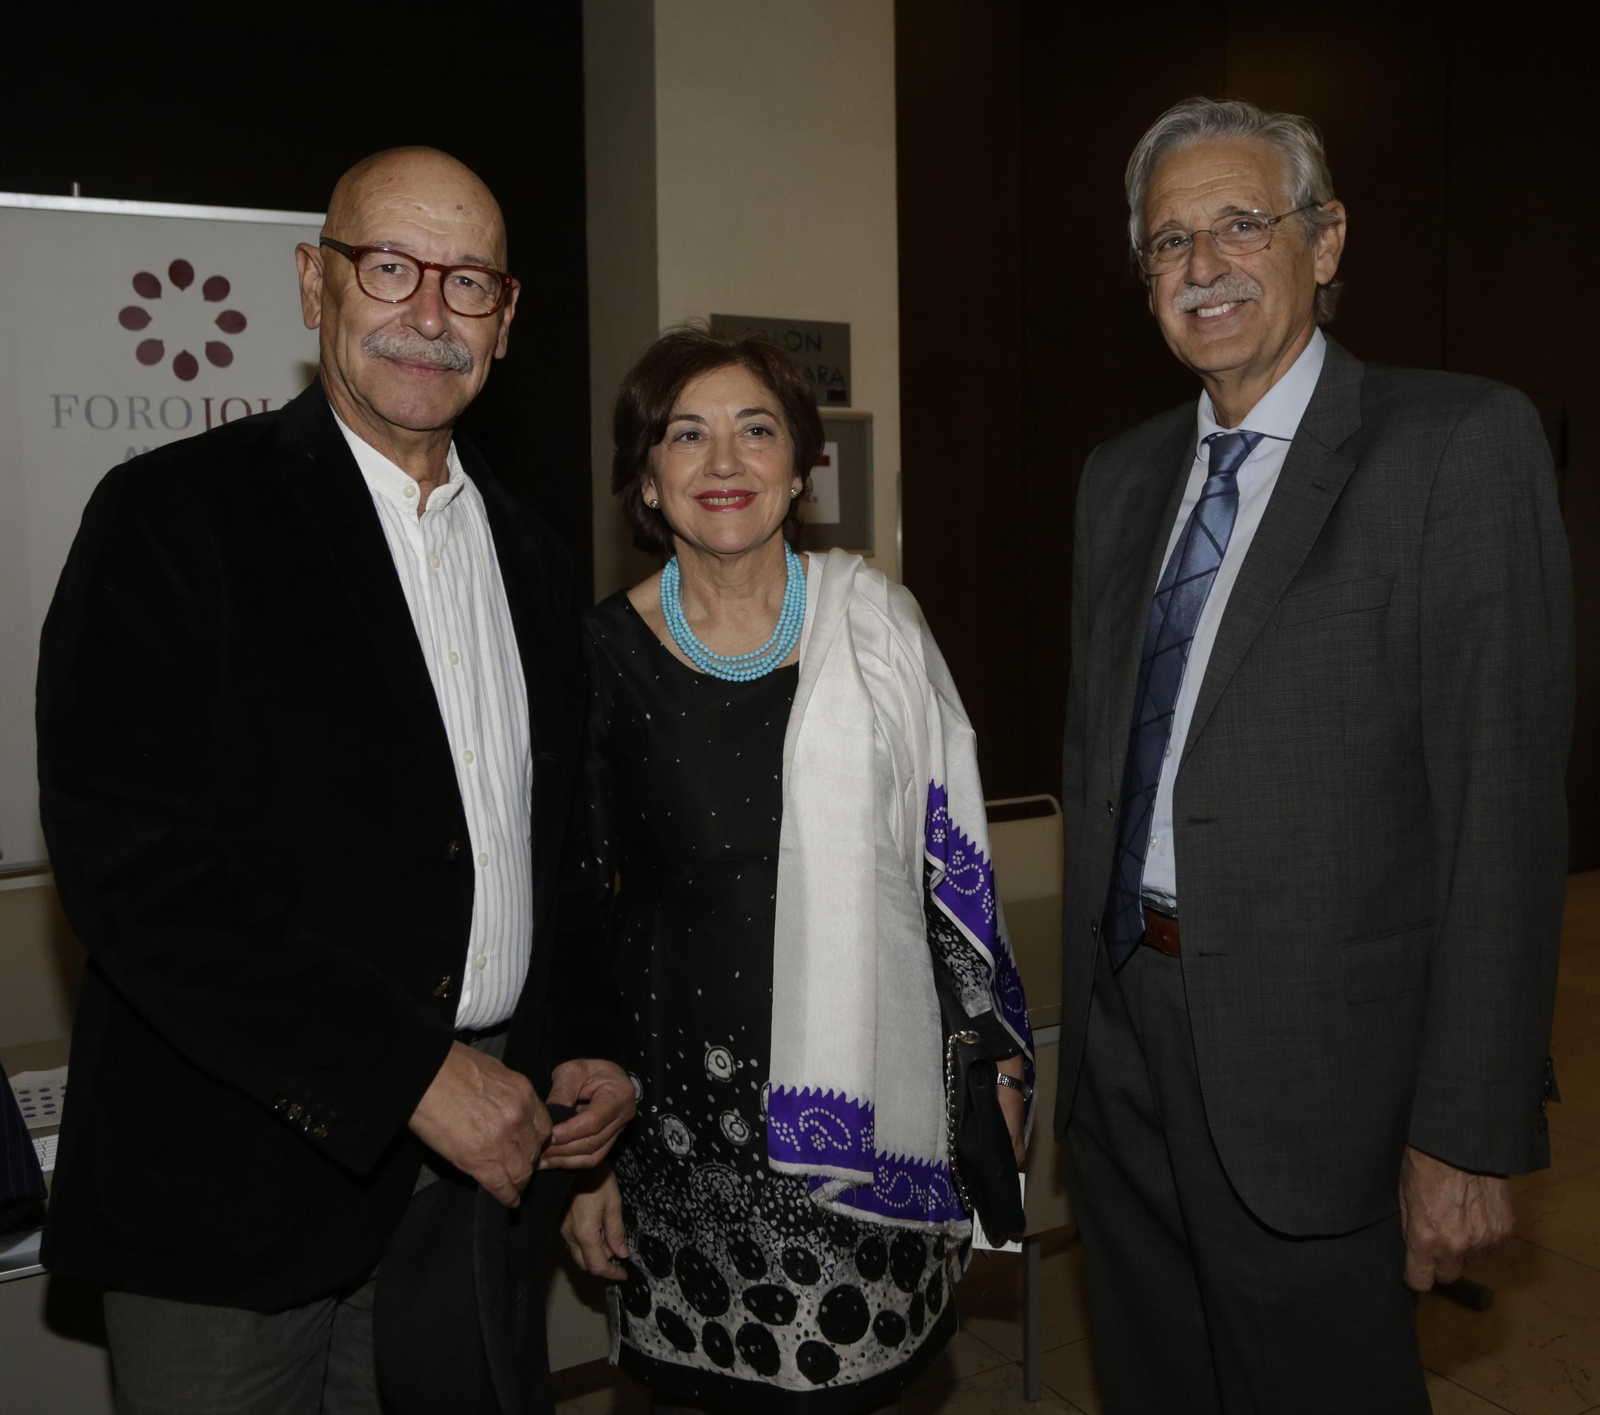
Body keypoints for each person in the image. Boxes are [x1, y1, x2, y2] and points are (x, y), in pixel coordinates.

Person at [36, 146, 633, 1414]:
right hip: (232, 1181)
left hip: (474, 1183)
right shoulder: (173, 516)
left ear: (508, 317)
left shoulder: (531, 557)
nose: (428, 311)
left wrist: (585, 1041)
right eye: (391, 267)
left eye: (467, 281)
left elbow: (554, 844)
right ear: (316, 282)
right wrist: (408, 1073)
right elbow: (134, 868)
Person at [1052, 96, 1574, 1413]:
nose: (1205, 266)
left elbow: (1501, 815)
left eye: (1243, 223)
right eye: (1169, 241)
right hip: (1124, 1041)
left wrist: (1464, 1126)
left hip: (1323, 1075)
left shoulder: (1456, 445)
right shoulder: (1117, 478)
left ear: (1327, 241)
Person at [557, 328, 1033, 1414]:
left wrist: (998, 1069)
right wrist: (585, 1165)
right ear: (646, 476)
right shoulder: (596, 658)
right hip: (681, 1140)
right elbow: (581, 914)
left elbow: (950, 881)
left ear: (801, 464)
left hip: (875, 1112)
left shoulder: (881, 629)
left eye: (755, 430)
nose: (723, 462)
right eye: (687, 434)